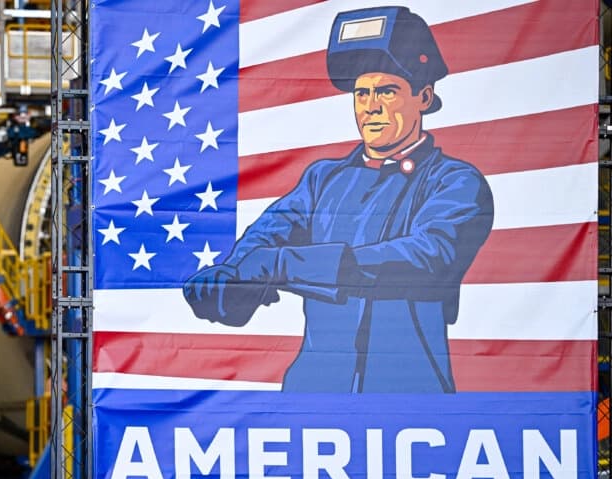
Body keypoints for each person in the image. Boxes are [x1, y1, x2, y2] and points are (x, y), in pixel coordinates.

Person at [183, 6, 494, 392]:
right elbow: (269, 233)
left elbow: (427, 256)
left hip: (409, 393)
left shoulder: (456, 182)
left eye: (387, 91)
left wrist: (282, 265)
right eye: (361, 92)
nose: (371, 106)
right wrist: (231, 276)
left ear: (424, 97)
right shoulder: (322, 178)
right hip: (312, 393)